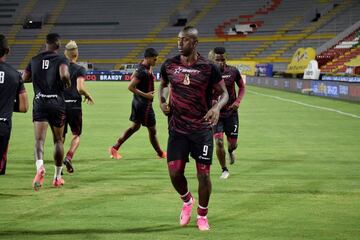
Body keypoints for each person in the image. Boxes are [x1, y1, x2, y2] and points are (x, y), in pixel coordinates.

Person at [159, 26, 228, 231]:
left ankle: (202, 215)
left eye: (185, 40)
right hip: (177, 128)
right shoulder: (169, 64)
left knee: (204, 175)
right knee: (175, 173)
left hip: (201, 129)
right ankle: (187, 201)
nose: (180, 43)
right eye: (179, 40)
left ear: (195, 42)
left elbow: (224, 93)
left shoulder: (209, 67)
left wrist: (216, 107)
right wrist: (162, 101)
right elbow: (162, 85)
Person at [22, 33, 71, 191]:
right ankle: (57, 177)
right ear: (58, 45)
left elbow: (24, 77)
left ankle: (40, 167)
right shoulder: (61, 60)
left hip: (40, 102)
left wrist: (37, 78)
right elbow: (64, 74)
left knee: (39, 140)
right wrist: (67, 83)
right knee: (58, 140)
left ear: (46, 44)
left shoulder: (34, 59)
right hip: (56, 102)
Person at [108, 48, 166, 160]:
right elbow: (130, 86)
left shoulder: (146, 67)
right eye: (154, 59)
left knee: (135, 127)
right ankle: (160, 153)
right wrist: (146, 95)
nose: (156, 61)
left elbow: (132, 77)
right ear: (148, 58)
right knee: (152, 130)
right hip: (144, 105)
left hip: (138, 103)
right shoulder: (142, 71)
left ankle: (115, 148)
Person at [209, 47, 245, 179]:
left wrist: (238, 102)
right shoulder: (208, 74)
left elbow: (242, 87)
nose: (220, 62)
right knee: (218, 142)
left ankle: (231, 151)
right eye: (217, 60)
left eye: (222, 59)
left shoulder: (233, 71)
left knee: (232, 143)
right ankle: (224, 170)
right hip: (216, 114)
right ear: (213, 60)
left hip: (231, 112)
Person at [62, 40, 94, 174]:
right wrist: (88, 95)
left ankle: (58, 168)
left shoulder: (60, 67)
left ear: (65, 53)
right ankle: (69, 157)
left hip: (60, 106)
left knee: (60, 138)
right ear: (76, 54)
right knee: (76, 135)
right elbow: (80, 88)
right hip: (74, 106)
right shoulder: (80, 69)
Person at [0, 34, 29, 175]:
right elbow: (24, 107)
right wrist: (6, 103)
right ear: (8, 50)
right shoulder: (15, 74)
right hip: (3, 125)